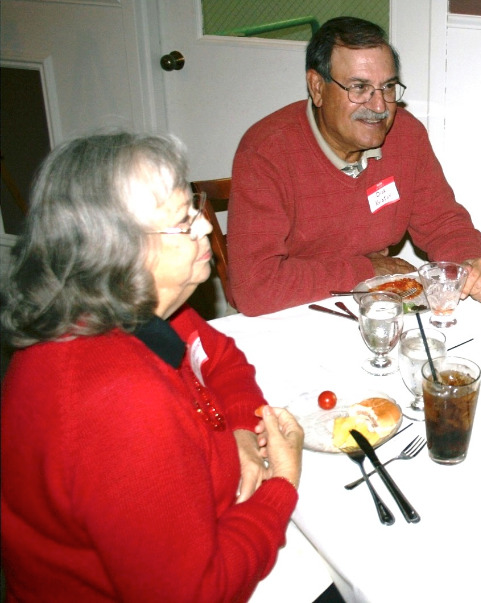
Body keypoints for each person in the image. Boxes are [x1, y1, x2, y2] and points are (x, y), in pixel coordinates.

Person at [0, 132, 312, 601]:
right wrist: (283, 484)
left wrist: (242, 433)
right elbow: (198, 593)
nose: (207, 227)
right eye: (184, 222)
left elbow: (223, 360)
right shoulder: (118, 403)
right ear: (118, 250)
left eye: (195, 207)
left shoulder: (135, 310)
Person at [229, 16, 481, 316]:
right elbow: (255, 288)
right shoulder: (267, 152)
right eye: (359, 88)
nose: (379, 106)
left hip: (373, 307)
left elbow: (443, 222)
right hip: (289, 313)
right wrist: (365, 269)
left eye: (388, 87)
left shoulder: (406, 135)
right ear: (317, 87)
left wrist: (468, 261)